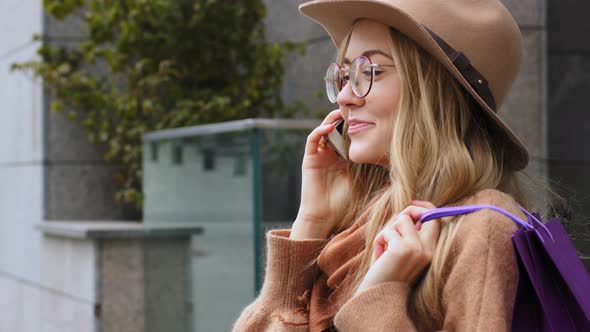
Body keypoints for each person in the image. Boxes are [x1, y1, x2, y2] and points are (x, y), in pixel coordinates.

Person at [232, 0, 562, 331]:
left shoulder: (479, 229)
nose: (346, 96)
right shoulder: (353, 233)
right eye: (345, 75)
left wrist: (377, 297)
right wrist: (311, 223)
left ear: (436, 91)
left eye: (370, 72)